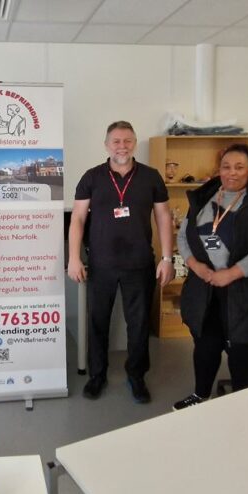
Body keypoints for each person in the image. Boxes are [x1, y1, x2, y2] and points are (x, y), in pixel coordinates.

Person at [68, 121, 174, 404]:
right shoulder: (91, 177)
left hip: (139, 264)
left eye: (127, 141)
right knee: (98, 322)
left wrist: (167, 258)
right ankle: (97, 375)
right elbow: (77, 218)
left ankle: (136, 376)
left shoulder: (151, 177)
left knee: (138, 325)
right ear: (106, 145)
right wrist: (74, 257)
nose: (122, 146)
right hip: (101, 264)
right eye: (116, 141)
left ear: (135, 143)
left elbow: (164, 217)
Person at [173, 143, 248, 410]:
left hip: (244, 293)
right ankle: (200, 395)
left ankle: (242, 406)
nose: (232, 173)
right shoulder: (203, 198)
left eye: (239, 167)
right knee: (205, 345)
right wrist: (195, 266)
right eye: (226, 166)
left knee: (242, 350)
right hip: (206, 289)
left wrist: (231, 273)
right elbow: (184, 235)